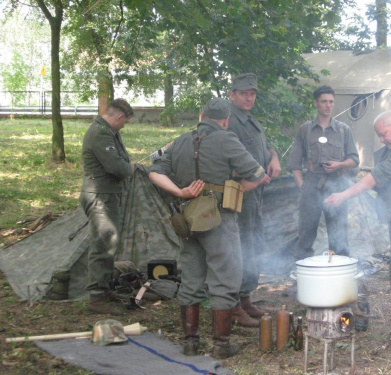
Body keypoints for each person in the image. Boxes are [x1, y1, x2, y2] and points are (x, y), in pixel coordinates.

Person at [149, 98, 271, 359]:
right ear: (226, 119)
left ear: (201, 115)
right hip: (219, 218)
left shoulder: (180, 141)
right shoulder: (227, 139)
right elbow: (257, 174)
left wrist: (180, 191)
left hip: (188, 218)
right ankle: (221, 345)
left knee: (191, 278)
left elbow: (153, 173)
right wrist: (236, 189)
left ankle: (190, 343)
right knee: (225, 279)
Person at [325, 111, 391, 333]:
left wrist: (343, 196)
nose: (383, 139)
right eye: (380, 136)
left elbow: (376, 177)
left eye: (384, 135)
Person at [227, 73, 281, 327]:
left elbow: (267, 145)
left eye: (253, 94)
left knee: (253, 242)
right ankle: (233, 304)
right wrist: (254, 175)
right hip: (238, 193)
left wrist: (274, 157)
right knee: (239, 246)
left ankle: (246, 296)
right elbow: (222, 158)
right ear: (232, 95)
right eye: (244, 93)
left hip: (256, 193)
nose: (249, 98)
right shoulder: (228, 121)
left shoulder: (250, 120)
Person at [287, 85, 359, 261]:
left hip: (337, 184)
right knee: (306, 233)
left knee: (338, 233)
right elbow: (294, 164)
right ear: (316, 103)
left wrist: (339, 164)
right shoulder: (305, 130)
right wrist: (303, 186)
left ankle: (340, 275)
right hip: (311, 184)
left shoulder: (343, 130)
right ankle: (302, 276)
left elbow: (354, 160)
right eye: (324, 101)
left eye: (331, 102)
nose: (328, 105)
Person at [79, 98, 135, 315]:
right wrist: (128, 168)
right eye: (125, 122)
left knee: (109, 242)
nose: (124, 126)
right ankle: (95, 297)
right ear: (119, 117)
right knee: (102, 244)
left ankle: (103, 288)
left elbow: (122, 160)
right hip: (101, 196)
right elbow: (117, 167)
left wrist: (125, 165)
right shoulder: (100, 133)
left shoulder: (108, 131)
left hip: (107, 194)